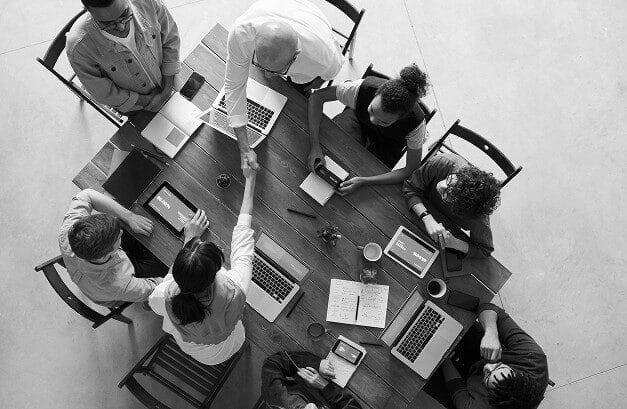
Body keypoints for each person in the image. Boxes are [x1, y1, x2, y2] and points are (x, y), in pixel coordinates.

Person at [148, 167, 257, 365]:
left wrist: (189, 240)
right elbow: (243, 244)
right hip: (228, 345)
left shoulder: (163, 295)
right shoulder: (235, 287)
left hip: (199, 352)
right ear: (216, 271)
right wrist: (250, 180)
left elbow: (157, 304)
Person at [225, 0, 343, 171]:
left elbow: (326, 76)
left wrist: (315, 83)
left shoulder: (324, 58)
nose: (266, 76)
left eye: (275, 71)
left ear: (296, 56)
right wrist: (244, 146)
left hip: (311, 24)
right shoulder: (240, 34)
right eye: (260, 66)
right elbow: (234, 87)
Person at [308, 64, 430, 194]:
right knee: (329, 150)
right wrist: (314, 145)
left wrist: (364, 181)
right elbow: (316, 97)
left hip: (388, 145)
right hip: (357, 121)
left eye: (383, 121)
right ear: (377, 92)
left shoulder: (416, 125)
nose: (372, 120)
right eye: (372, 110)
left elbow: (411, 169)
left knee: (365, 181)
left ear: (401, 118)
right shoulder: (360, 89)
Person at [423, 303, 549, 409]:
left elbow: (456, 386)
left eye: (488, 376)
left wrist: (442, 353)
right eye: (499, 366)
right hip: (483, 351)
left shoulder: (478, 407)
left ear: (490, 397)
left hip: (466, 385)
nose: (488, 366)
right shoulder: (532, 356)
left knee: (423, 373)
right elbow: (489, 308)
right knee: (452, 314)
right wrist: (491, 333)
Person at [58, 189, 168, 306]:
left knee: (125, 223)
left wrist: (129, 217)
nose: (121, 232)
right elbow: (161, 289)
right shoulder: (121, 285)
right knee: (167, 264)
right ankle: (148, 304)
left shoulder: (70, 231)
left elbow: (86, 194)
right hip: (115, 293)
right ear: (109, 253)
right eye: (118, 236)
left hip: (91, 276)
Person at [67, 0, 181, 113]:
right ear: (86, 9)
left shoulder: (148, 2)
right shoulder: (78, 48)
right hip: (138, 107)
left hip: (170, 78)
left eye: (124, 14)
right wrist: (147, 101)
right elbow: (102, 92)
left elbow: (171, 38)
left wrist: (166, 90)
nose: (121, 27)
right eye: (108, 24)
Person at [402, 153, 501, 258]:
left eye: (448, 195)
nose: (442, 186)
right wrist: (427, 217)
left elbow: (484, 250)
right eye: (450, 181)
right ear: (459, 173)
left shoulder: (477, 218)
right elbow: (410, 187)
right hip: (414, 210)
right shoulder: (443, 162)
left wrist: (454, 243)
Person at [261, 350, 362, 409]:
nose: (312, 407)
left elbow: (272, 364)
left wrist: (316, 364)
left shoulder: (278, 402)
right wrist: (325, 386)